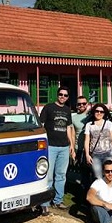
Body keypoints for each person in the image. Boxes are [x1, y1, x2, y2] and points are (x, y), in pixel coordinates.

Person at [39, 86, 75, 215]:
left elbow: (69, 128)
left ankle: (58, 200)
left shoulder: (67, 110)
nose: (63, 97)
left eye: (65, 95)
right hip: (51, 146)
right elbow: (41, 125)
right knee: (48, 176)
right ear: (57, 95)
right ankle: (44, 203)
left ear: (68, 98)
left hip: (64, 147)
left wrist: (71, 145)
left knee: (61, 175)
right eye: (61, 94)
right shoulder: (48, 107)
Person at [84, 103, 112, 180]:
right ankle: (99, 192)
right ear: (93, 112)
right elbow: (87, 140)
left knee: (109, 176)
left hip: (108, 154)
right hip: (95, 155)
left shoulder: (108, 123)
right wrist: (87, 155)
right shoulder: (89, 125)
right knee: (97, 176)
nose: (99, 113)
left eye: (101, 112)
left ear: (104, 113)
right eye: (97, 111)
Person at [71, 96, 91, 190]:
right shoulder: (74, 118)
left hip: (92, 148)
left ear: (87, 104)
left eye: (84, 103)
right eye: (79, 104)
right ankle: (85, 193)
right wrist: (73, 150)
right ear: (76, 106)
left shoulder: (92, 116)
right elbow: (73, 135)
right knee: (83, 172)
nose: (81, 105)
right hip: (79, 148)